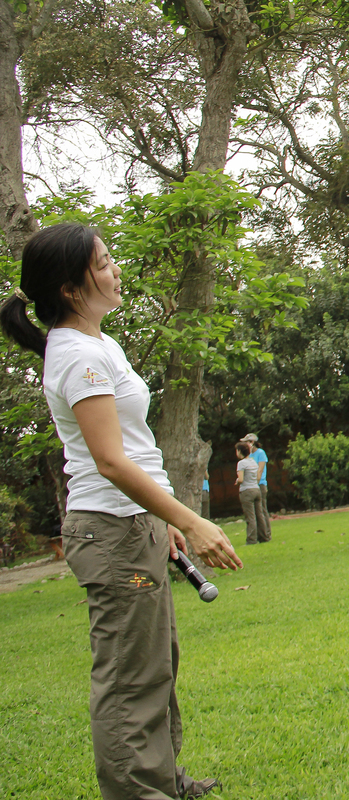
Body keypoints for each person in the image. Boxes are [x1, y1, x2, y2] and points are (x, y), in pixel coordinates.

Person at [0, 222, 242, 800]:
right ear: (71, 288)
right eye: (104, 264)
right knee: (128, 678)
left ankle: (162, 780)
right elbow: (109, 461)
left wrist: (160, 522)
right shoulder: (78, 356)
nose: (115, 272)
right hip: (109, 530)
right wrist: (189, 518)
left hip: (132, 525)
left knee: (155, 664)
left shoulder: (100, 344)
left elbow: (130, 450)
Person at [241, 433, 271, 541]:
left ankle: (266, 533)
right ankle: (258, 535)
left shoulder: (260, 453)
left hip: (260, 484)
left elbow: (260, 470)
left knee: (262, 510)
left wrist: (255, 483)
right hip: (252, 486)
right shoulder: (249, 455)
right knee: (255, 513)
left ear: (252, 442)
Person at [235, 442, 261, 544]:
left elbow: (241, 479)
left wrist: (237, 481)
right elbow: (257, 475)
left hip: (247, 491)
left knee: (250, 517)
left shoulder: (241, 463)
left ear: (240, 451)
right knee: (259, 515)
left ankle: (251, 540)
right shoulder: (253, 461)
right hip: (256, 489)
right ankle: (263, 536)